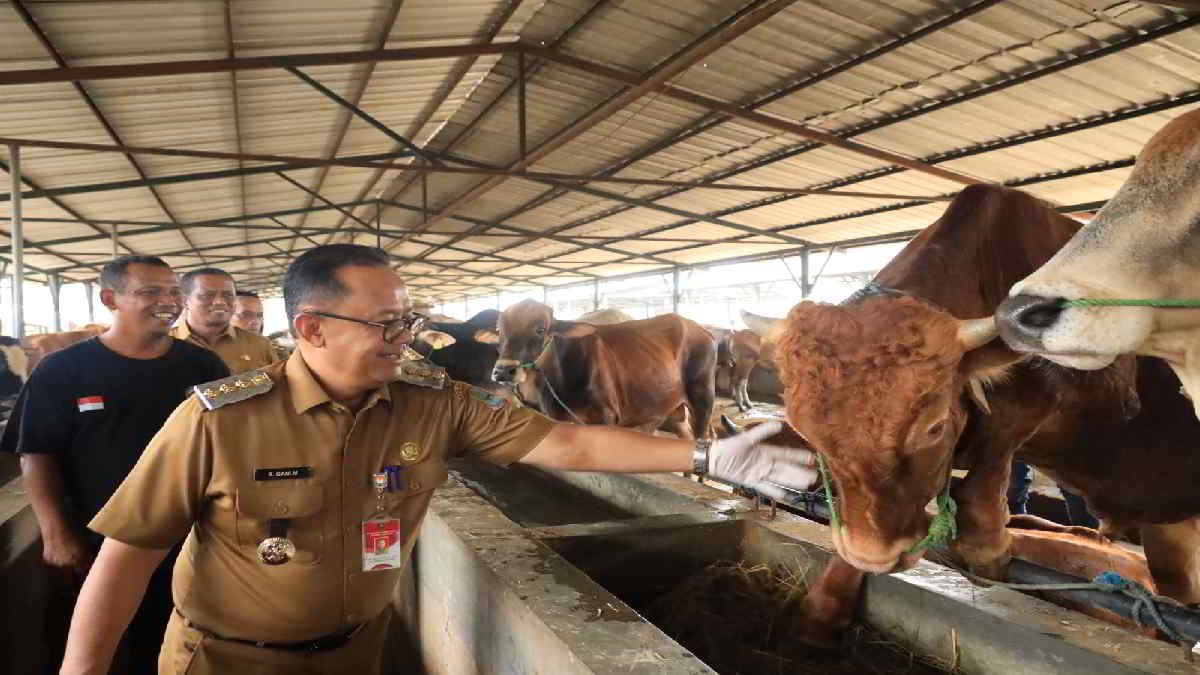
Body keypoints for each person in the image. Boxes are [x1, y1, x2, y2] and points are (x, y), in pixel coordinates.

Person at [61, 244, 816, 675]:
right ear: (312, 327)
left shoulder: (433, 402)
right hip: (225, 664)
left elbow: (570, 442)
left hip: (359, 655)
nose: (405, 334)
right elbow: (124, 562)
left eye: (409, 318)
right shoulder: (216, 421)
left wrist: (712, 454)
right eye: (386, 322)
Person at [0, 256, 229, 673]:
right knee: (93, 645)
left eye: (173, 291)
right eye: (149, 291)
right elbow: (36, 451)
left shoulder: (203, 366)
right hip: (94, 538)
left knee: (173, 641)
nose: (167, 301)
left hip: (187, 536)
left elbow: (232, 444)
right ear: (111, 299)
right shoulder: (63, 369)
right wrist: (55, 533)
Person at [170, 268, 277, 373]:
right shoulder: (163, 345)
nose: (220, 301)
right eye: (207, 295)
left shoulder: (259, 345)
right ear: (184, 301)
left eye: (228, 295)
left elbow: (280, 387)